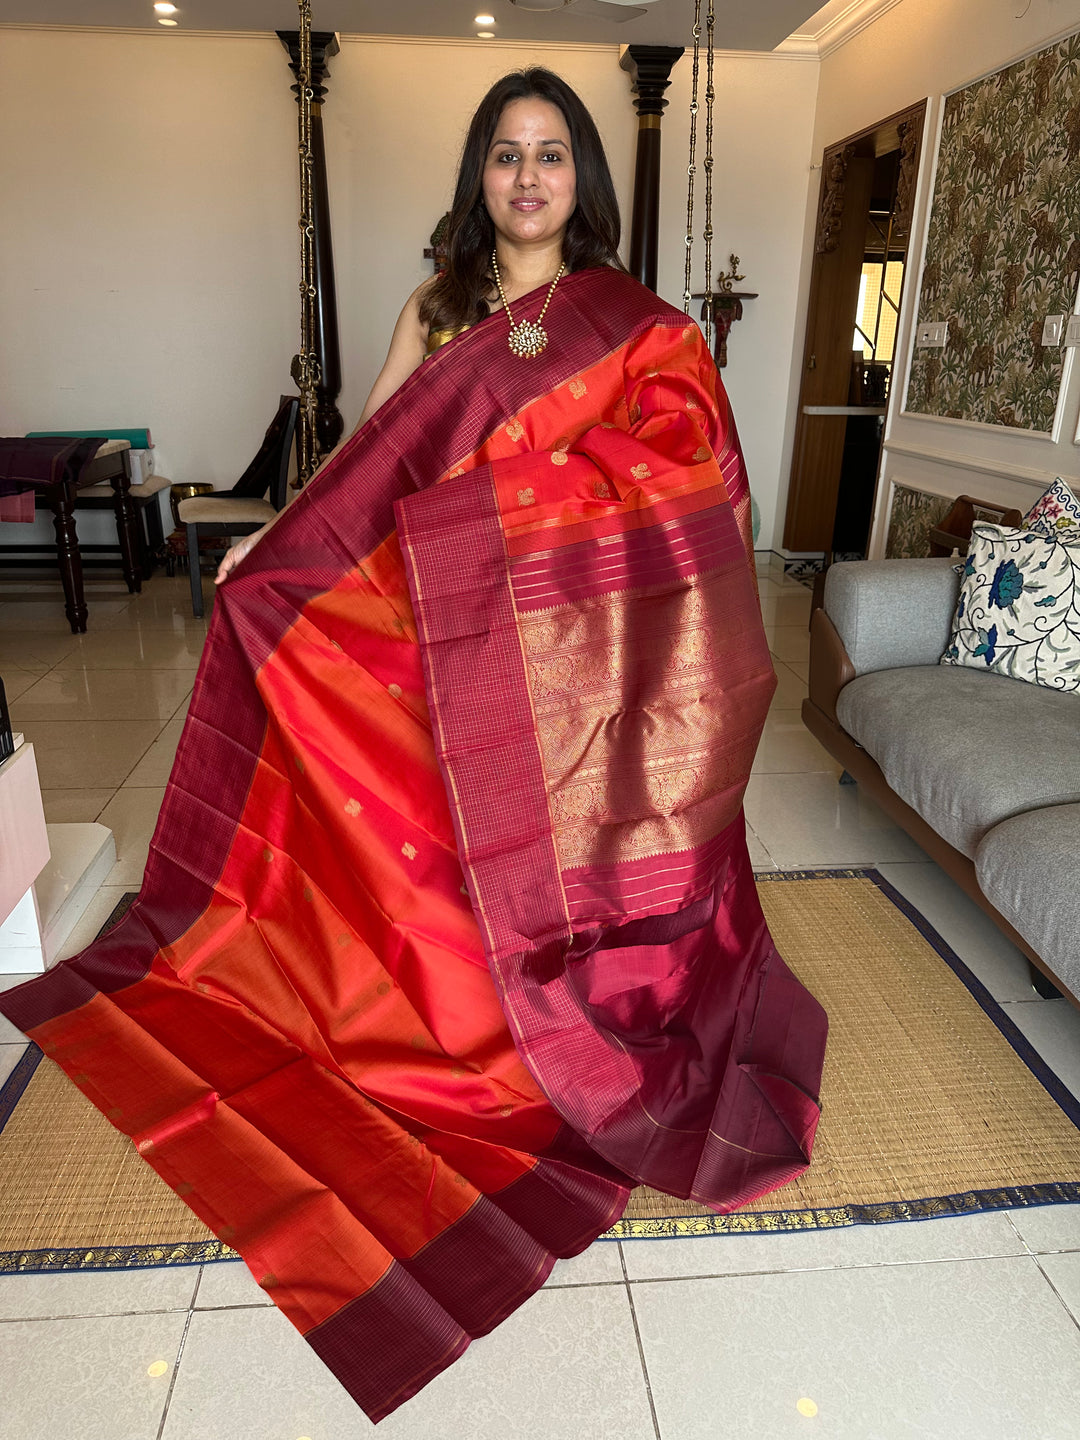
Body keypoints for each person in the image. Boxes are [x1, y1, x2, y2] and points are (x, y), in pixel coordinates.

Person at [0, 69, 827, 1423]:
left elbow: (678, 477)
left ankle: (523, 1036)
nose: (527, 178)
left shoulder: (629, 326)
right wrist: (276, 542)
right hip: (424, 628)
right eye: (506, 156)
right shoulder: (439, 309)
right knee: (429, 849)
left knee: (521, 847)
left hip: (543, 657)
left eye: (552, 156)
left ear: (584, 182)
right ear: (477, 176)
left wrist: (516, 510)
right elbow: (369, 463)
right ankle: (429, 1014)